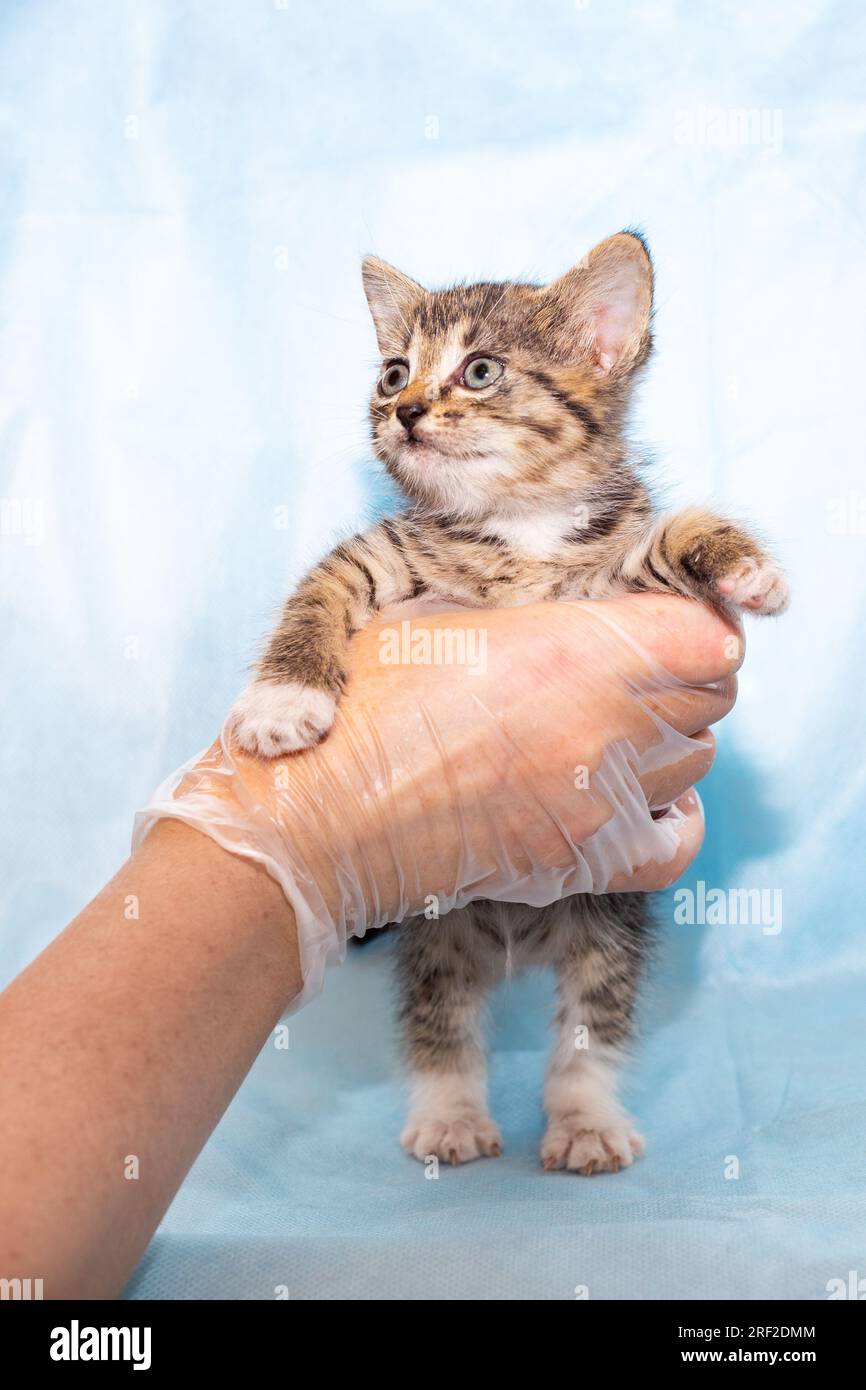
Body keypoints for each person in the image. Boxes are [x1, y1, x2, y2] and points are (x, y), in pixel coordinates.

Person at [0, 595, 740, 1298]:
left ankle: (585, 1095)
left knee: (604, 927)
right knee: (439, 933)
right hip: (448, 866)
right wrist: (313, 819)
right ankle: (444, 1086)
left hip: (582, 854)